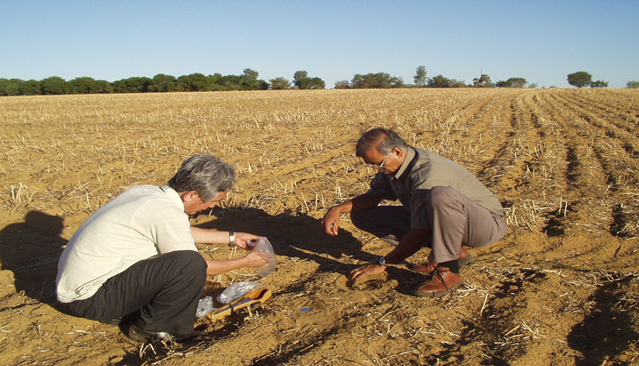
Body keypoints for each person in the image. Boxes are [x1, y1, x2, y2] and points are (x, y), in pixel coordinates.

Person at [56, 153, 270, 342]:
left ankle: (129, 312)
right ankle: (153, 329)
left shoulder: (148, 194)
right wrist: (244, 262)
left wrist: (232, 238)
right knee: (190, 264)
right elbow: (198, 267)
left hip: (86, 290)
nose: (213, 206)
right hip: (90, 298)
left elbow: (176, 231)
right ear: (192, 195)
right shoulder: (164, 211)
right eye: (213, 200)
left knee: (181, 263)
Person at [322, 128, 507, 297]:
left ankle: (449, 270)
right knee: (363, 215)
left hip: (485, 225)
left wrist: (383, 263)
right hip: (455, 222)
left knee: (440, 195)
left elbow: (421, 231)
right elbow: (373, 197)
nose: (375, 169)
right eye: (371, 165)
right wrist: (338, 209)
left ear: (397, 152)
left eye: (378, 163)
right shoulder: (395, 166)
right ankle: (455, 252)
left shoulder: (427, 174)